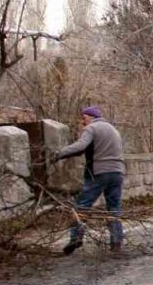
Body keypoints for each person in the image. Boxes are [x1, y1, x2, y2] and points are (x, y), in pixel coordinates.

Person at [53, 106, 126, 253]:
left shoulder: (92, 128)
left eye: (84, 117)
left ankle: (76, 238)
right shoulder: (113, 129)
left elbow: (81, 146)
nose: (82, 121)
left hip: (99, 172)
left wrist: (59, 154)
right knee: (113, 208)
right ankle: (116, 241)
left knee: (81, 205)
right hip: (117, 172)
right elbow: (83, 150)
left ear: (91, 117)